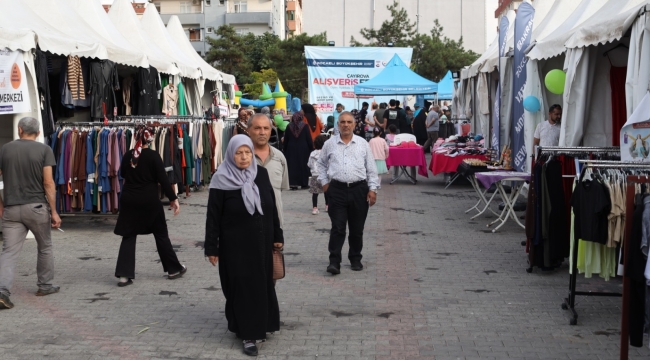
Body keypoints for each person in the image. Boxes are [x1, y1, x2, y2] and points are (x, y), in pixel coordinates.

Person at [205, 135, 283, 357]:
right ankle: (248, 334)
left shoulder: (261, 174)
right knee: (243, 287)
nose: (244, 157)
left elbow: (271, 208)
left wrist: (278, 234)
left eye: (247, 152)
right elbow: (213, 217)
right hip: (235, 246)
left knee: (262, 284)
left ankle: (263, 323)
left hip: (262, 242)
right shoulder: (221, 179)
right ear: (231, 154)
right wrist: (212, 247)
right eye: (239, 153)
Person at [0, 117, 61, 309]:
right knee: (44, 247)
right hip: (36, 208)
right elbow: (48, 183)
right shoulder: (44, 150)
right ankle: (45, 285)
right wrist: (54, 212)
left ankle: (2, 291)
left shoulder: (5, 149)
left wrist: (0, 204)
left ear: (19, 130)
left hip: (11, 209)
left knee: (9, 252)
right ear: (38, 132)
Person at [113, 127, 186, 287]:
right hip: (149, 201)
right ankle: (173, 269)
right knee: (161, 234)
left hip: (130, 200)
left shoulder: (128, 156)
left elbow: (123, 174)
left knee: (129, 235)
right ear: (151, 139)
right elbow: (163, 180)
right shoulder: (153, 156)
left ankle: (124, 276)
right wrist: (173, 198)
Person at [317, 112, 379, 275]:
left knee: (357, 228)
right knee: (338, 227)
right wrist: (325, 184)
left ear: (354, 124)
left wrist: (372, 189)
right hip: (336, 190)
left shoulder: (362, 143)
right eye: (342, 122)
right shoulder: (329, 144)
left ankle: (355, 258)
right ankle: (334, 261)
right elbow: (321, 164)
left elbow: (372, 168)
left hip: (359, 190)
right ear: (338, 124)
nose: (345, 124)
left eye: (349, 122)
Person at [248, 113, 290, 227]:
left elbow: (281, 190)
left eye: (266, 128)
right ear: (248, 130)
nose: (262, 132)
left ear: (271, 130)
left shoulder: (279, 158)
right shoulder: (240, 159)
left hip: (274, 226)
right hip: (247, 227)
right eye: (257, 128)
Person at [283, 112, 314, 189]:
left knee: (292, 166)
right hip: (303, 148)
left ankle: (293, 184)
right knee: (303, 165)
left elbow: (286, 139)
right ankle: (304, 183)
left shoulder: (289, 126)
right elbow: (308, 138)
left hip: (291, 148)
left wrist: (285, 149)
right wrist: (311, 148)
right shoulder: (305, 126)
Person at [308, 135, 329, 215]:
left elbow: (309, 164)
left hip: (314, 175)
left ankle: (315, 208)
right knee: (326, 191)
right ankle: (327, 205)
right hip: (324, 175)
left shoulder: (312, 154)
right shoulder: (326, 153)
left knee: (315, 193)